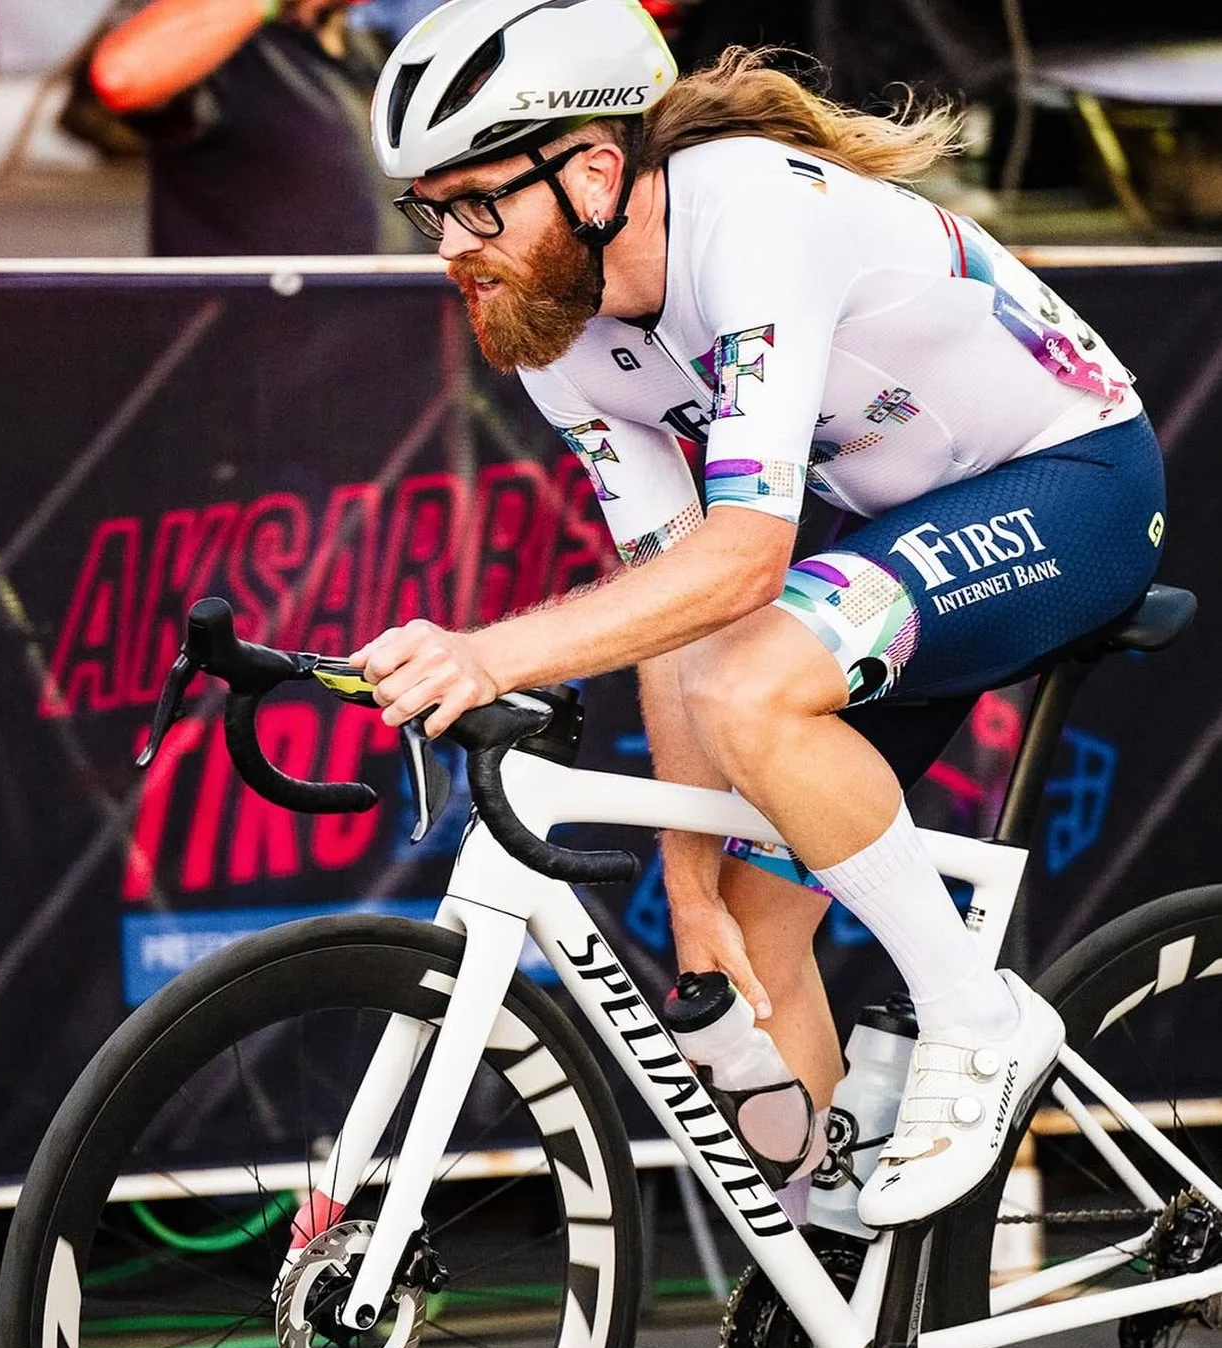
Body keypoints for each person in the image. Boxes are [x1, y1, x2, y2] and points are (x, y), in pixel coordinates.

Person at [347, 0, 1166, 1229]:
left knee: (757, 689)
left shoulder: (752, 213)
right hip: (906, 538)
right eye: (430, 208)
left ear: (593, 172)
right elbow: (677, 605)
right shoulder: (554, 330)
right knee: (741, 940)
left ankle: (979, 1022)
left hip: (1076, 481)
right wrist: (688, 888)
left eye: (478, 203)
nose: (452, 245)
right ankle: (845, 1293)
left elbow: (740, 568)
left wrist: (488, 652)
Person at [84, 0, 425, 255]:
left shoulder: (371, 47)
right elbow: (123, 76)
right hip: (256, 340)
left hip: (399, 338)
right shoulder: (226, 50)